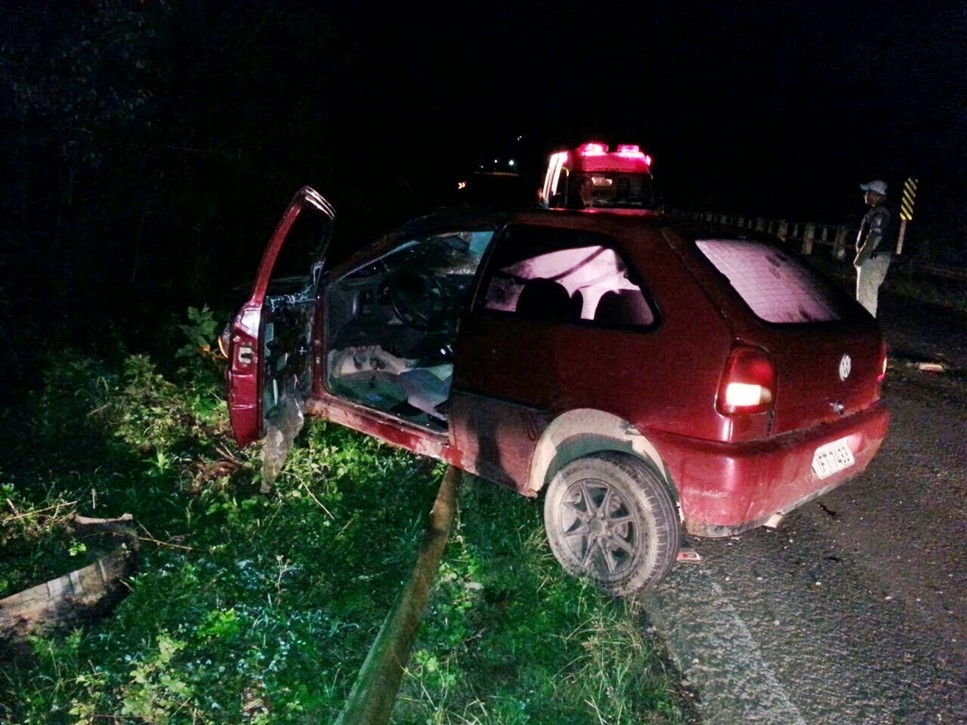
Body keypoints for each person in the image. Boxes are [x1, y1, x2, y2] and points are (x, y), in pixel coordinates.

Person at [854, 179, 892, 317]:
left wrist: (860, 259)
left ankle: (866, 332)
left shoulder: (880, 212)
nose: (865, 195)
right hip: (874, 259)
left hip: (872, 260)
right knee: (865, 296)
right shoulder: (877, 211)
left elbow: (874, 237)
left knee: (866, 299)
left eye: (868, 192)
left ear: (876, 194)